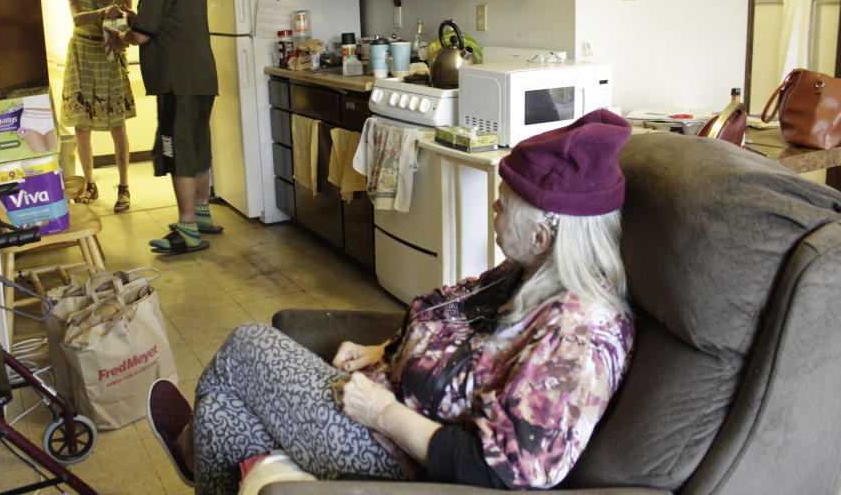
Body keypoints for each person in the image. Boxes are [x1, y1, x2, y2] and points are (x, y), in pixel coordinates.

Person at [146, 109, 637, 492]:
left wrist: (380, 412)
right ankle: (198, 446)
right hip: (386, 407)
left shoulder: (580, 338)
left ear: (542, 236)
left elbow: (506, 471)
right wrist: (384, 351)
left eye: (502, 204)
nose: (493, 207)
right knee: (219, 419)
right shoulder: (526, 276)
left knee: (246, 344)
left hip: (398, 459)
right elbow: (456, 334)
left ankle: (188, 451)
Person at [104, 0, 221, 252]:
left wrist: (118, 38)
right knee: (197, 146)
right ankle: (201, 214)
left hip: (176, 84)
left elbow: (141, 36)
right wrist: (133, 18)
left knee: (178, 152)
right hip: (201, 81)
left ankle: (187, 230)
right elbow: (166, 24)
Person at [63, 0, 137, 213]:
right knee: (82, 126)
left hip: (108, 55)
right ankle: (90, 183)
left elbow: (126, 28)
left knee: (117, 125)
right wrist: (102, 12)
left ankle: (124, 186)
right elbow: (78, 18)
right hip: (82, 55)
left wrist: (129, 21)